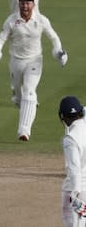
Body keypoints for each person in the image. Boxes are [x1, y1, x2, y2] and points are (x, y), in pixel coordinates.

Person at [0, 0, 68, 141]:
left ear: (33, 5)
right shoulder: (11, 20)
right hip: (16, 62)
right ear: (19, 4)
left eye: (28, 3)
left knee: (29, 91)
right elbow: (1, 39)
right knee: (19, 97)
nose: (25, 6)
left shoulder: (41, 20)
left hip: (34, 60)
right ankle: (20, 100)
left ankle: (24, 131)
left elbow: (54, 37)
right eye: (22, 3)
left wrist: (59, 53)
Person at [58, 96, 86, 227]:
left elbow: (74, 169)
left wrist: (76, 194)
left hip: (77, 190)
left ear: (64, 117)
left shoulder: (70, 138)